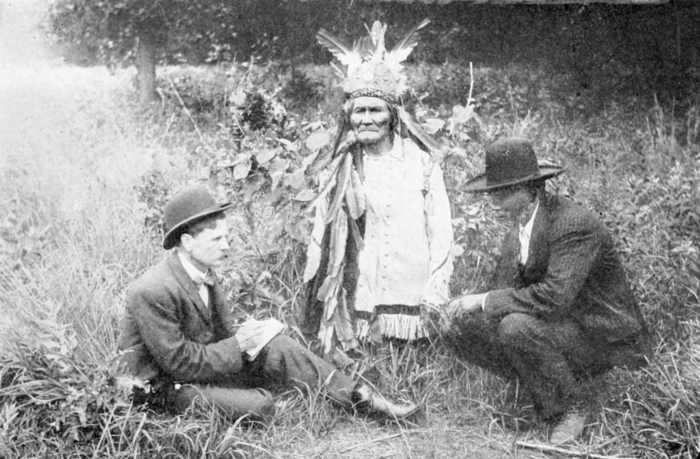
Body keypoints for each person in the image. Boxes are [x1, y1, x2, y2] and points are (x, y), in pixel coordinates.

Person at [117, 185, 418, 420]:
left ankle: (361, 398)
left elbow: (219, 336)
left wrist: (255, 337)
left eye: (227, 238)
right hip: (163, 387)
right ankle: (265, 398)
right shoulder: (151, 290)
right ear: (187, 242)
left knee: (279, 345)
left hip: (200, 369)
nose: (226, 246)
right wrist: (240, 344)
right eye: (217, 240)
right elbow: (180, 364)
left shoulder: (202, 269)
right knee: (261, 406)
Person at [443, 138, 651, 444]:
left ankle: (572, 406)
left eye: (502, 192)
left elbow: (554, 298)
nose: (494, 201)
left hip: (603, 337)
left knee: (514, 326)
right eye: (492, 192)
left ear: (530, 188)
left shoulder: (573, 224)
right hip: (560, 329)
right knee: (463, 326)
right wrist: (461, 307)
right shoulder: (519, 226)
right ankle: (538, 391)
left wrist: (484, 300)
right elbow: (504, 289)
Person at [302, 20, 453, 357]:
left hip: (412, 300)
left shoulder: (422, 164)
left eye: (375, 110)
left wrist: (436, 291)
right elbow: (319, 234)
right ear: (348, 116)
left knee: (414, 364)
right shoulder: (339, 166)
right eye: (359, 111)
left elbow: (440, 232)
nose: (366, 119)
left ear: (392, 116)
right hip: (359, 302)